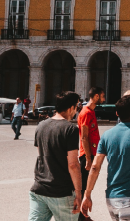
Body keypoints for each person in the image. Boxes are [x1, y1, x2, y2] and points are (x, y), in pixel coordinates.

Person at [80, 94, 130, 221]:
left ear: (117, 114)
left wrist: (87, 195)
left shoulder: (107, 135)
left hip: (111, 197)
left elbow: (94, 167)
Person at [29, 92, 83, 221]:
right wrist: (79, 193)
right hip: (61, 192)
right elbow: (73, 164)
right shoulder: (70, 129)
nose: (77, 111)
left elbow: (42, 155)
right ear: (71, 108)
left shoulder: (41, 125)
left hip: (39, 189)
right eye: (77, 107)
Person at [78, 87, 105, 222]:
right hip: (87, 155)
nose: (104, 99)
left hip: (92, 153)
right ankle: (80, 216)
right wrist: (88, 159)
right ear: (95, 96)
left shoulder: (91, 111)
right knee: (83, 186)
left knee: (87, 185)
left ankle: (81, 215)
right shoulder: (86, 113)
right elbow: (84, 137)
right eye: (102, 96)